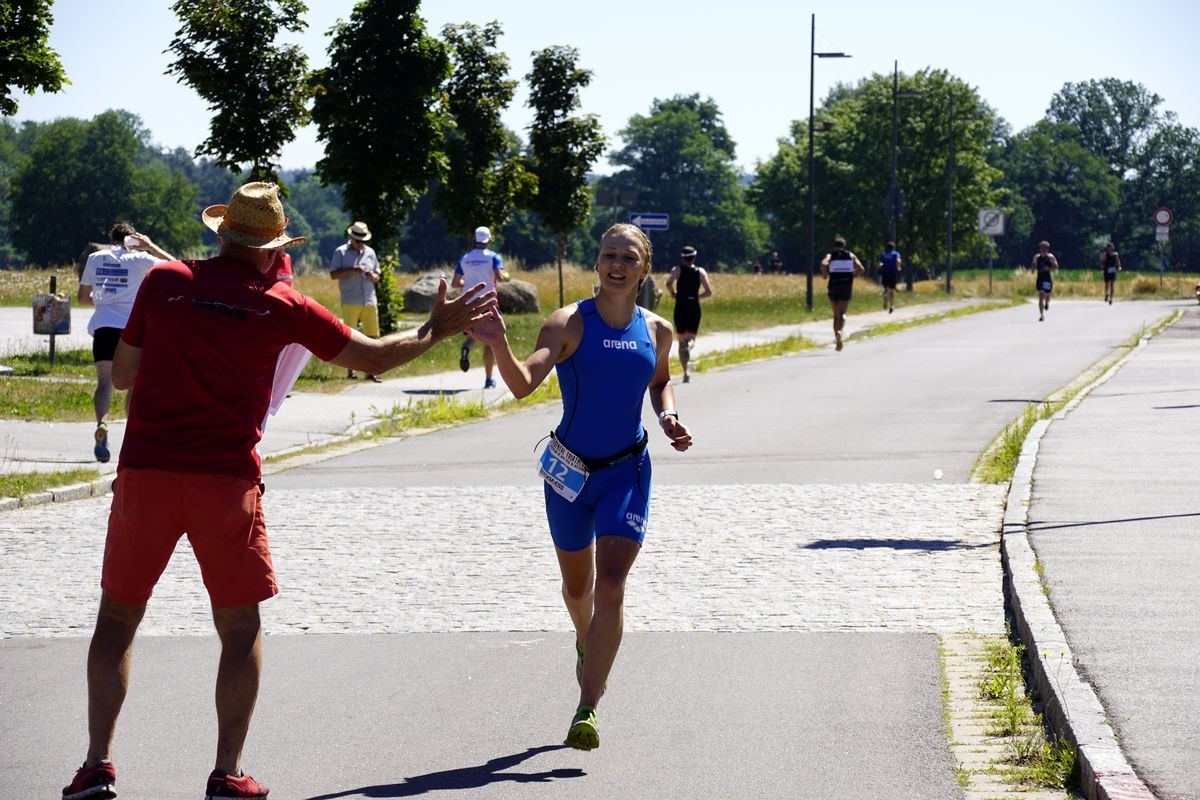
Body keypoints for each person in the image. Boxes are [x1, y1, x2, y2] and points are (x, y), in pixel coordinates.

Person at [61, 182, 494, 800]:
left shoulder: (165, 282)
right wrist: (435, 328)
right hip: (226, 484)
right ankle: (226, 774)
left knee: (117, 619)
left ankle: (96, 766)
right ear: (273, 249)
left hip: (148, 475)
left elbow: (124, 376)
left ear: (224, 234)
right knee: (239, 629)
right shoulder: (282, 304)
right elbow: (371, 358)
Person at [468, 222, 693, 752]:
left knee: (612, 582)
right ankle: (583, 639)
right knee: (578, 591)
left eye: (628, 256)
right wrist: (500, 344)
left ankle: (586, 707)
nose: (616, 262)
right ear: (597, 263)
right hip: (570, 474)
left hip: (627, 470)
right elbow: (524, 383)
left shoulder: (657, 330)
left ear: (644, 268)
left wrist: (668, 417)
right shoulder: (568, 323)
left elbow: (659, 382)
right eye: (608, 254)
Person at [77, 223, 174, 463]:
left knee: (104, 384)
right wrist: (151, 246)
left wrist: (105, 300)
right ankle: (134, 434)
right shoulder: (140, 259)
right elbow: (176, 266)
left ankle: (102, 424)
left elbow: (82, 298)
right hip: (132, 329)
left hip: (103, 327)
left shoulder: (95, 258)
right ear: (134, 240)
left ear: (111, 239)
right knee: (134, 384)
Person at [452, 226, 508, 388]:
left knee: (472, 334)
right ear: (489, 240)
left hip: (468, 303)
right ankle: (489, 379)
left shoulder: (465, 258)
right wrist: (506, 276)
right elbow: (500, 277)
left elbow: (456, 283)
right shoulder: (493, 257)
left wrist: (468, 283)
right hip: (488, 302)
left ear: (475, 240)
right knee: (489, 341)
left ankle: (466, 349)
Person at [328, 220, 382, 382]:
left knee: (373, 336)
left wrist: (373, 276)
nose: (361, 244)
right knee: (350, 337)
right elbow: (333, 275)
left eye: (363, 241)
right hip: (350, 298)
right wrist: (353, 270)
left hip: (369, 298)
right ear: (351, 238)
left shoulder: (370, 253)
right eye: (358, 241)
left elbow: (378, 275)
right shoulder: (341, 252)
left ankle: (371, 370)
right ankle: (350, 371)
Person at [665, 245, 713, 383]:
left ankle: (686, 371)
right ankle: (690, 343)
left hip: (680, 305)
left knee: (680, 339)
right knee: (691, 336)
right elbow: (709, 292)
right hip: (694, 306)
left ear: (682, 257)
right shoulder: (700, 272)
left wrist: (674, 293)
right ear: (694, 257)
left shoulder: (677, 270)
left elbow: (668, 283)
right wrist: (698, 296)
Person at [819, 237, 865, 351]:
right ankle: (840, 331)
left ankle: (836, 335)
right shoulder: (850, 255)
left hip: (833, 285)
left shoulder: (830, 255)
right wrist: (851, 272)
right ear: (844, 246)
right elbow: (861, 268)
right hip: (846, 285)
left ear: (835, 246)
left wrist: (825, 274)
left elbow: (823, 263)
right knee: (843, 313)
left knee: (836, 314)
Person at [1032, 240, 1059, 321]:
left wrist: (1049, 268)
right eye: (1042, 248)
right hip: (1040, 277)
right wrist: (1033, 269)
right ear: (1040, 248)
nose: (1043, 249)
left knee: (1047, 295)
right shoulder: (1037, 257)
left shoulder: (1051, 257)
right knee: (1040, 296)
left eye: (1045, 248)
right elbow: (1033, 265)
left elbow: (1056, 267)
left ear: (1047, 249)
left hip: (1047, 277)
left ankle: (1047, 303)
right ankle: (1041, 315)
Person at [877, 241, 902, 314]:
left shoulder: (883, 254)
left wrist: (879, 267)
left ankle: (885, 297)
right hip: (892, 273)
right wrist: (898, 267)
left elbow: (880, 263)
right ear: (893, 247)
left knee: (886, 287)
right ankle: (891, 305)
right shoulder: (895, 253)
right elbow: (898, 260)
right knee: (892, 289)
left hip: (885, 273)